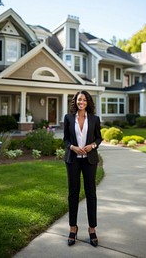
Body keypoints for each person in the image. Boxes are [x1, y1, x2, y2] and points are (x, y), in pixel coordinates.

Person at [63, 90, 102, 247]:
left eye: (84, 100)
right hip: (73, 160)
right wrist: (72, 147)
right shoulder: (68, 118)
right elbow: (65, 139)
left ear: (88, 102)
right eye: (79, 100)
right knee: (73, 194)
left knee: (91, 194)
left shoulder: (94, 119)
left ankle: (92, 229)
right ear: (75, 101)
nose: (82, 102)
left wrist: (92, 145)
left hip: (89, 160)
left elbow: (99, 138)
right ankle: (73, 228)